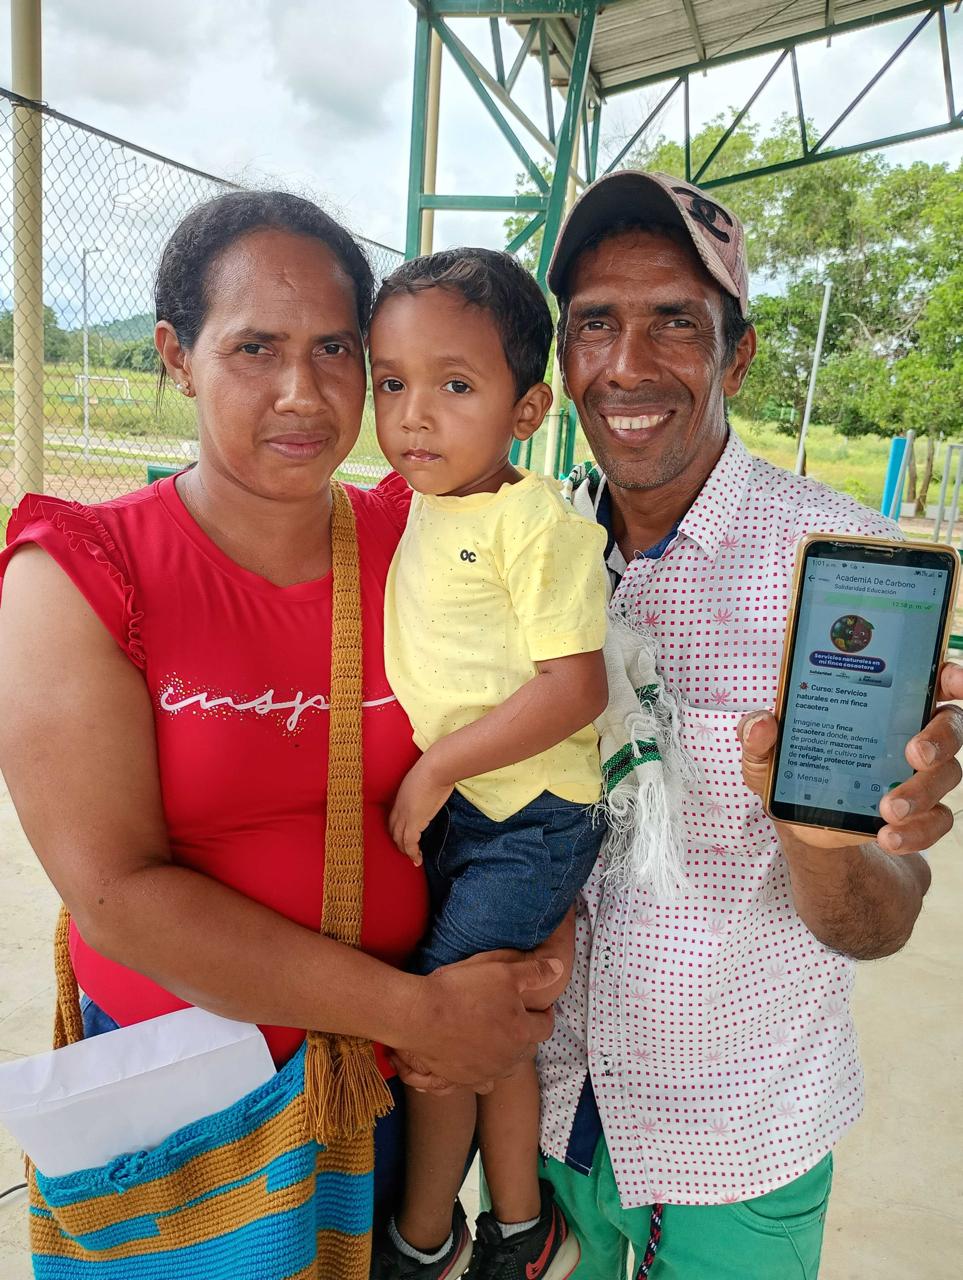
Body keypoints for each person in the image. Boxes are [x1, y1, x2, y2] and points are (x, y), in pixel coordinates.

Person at [0, 192, 565, 1269]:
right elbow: (116, 894)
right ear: (176, 354)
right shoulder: (80, 569)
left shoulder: (426, 538)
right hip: (197, 1120)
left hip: (406, 1094)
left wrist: (529, 958)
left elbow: (549, 730)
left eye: (336, 349)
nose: (302, 393)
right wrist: (420, 1009)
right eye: (254, 347)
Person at [520, 170, 963, 1279]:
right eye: (594, 325)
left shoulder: (832, 569)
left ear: (738, 354)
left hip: (736, 1142)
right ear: (564, 358)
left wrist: (823, 839)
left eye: (676, 320)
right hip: (540, 1115)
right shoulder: (538, 546)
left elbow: (876, 922)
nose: (627, 363)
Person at [367, 248, 608, 1280]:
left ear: (527, 408)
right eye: (392, 382)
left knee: (445, 1032)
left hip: (528, 813)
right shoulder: (428, 496)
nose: (415, 415)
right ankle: (521, 1224)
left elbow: (574, 688)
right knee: (494, 1021)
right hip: (485, 809)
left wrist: (433, 770)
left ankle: (424, 1238)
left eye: (455, 385)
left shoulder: (535, 521)